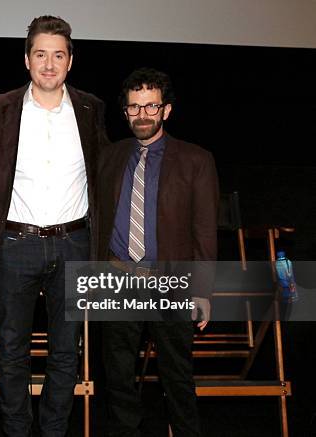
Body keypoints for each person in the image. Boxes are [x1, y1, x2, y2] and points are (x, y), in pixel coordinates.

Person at [0, 15, 107, 436]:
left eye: (58, 55)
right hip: (16, 244)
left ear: (71, 61)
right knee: (12, 349)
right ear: (26, 59)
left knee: (65, 351)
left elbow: (103, 173)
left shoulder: (92, 109)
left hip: (75, 242)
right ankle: (16, 430)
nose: (49, 64)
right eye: (41, 54)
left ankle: (54, 430)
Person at [95, 67, 219, 436]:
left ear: (165, 110)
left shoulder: (196, 160)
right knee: (116, 377)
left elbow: (204, 229)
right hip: (117, 279)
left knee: (177, 376)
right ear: (125, 112)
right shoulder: (108, 157)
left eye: (150, 106)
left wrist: (203, 289)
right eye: (134, 107)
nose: (142, 114)